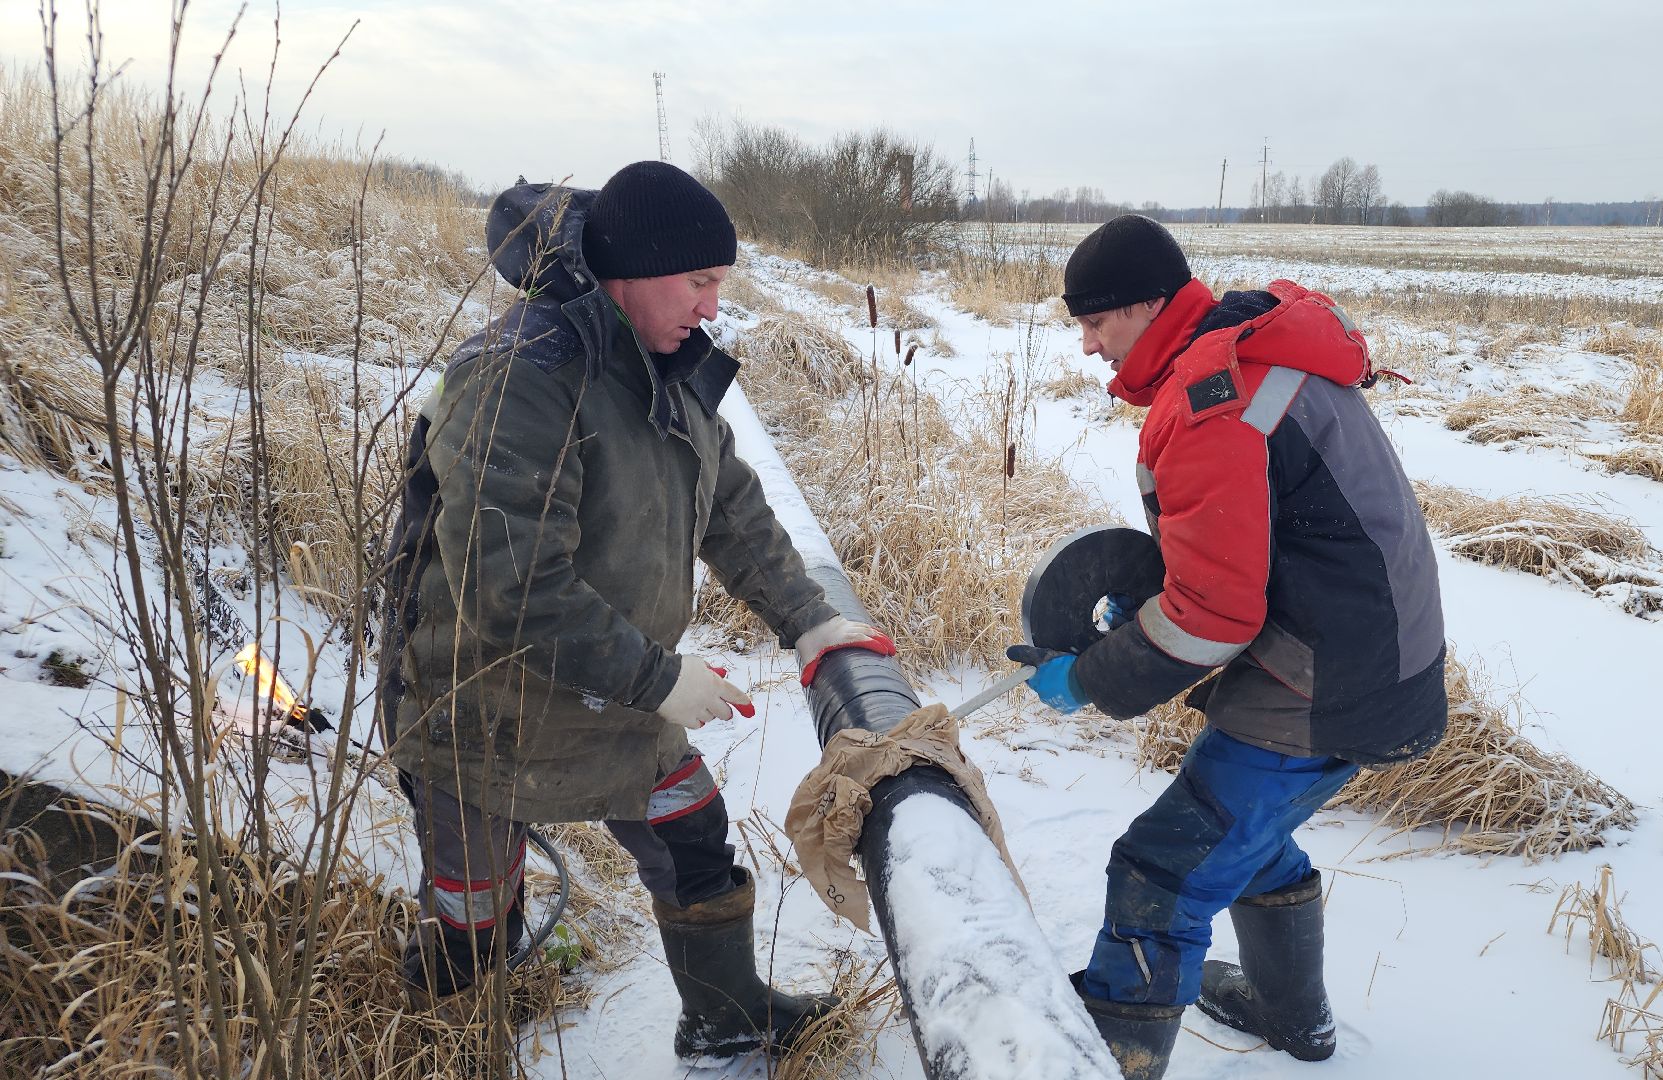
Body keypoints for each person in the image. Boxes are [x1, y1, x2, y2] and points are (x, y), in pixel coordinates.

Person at [379, 161, 893, 1060]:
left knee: (694, 840)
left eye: (720, 285)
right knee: (473, 916)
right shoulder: (520, 377)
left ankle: (724, 1015)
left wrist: (809, 619)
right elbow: (511, 586)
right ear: (632, 271)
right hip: (480, 705)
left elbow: (729, 505)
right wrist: (658, 679)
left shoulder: (666, 362)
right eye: (699, 282)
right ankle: (440, 1045)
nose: (712, 308)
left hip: (610, 697)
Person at [1008, 215, 1448, 1079]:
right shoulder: (1246, 350)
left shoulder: (1214, 396)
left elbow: (1214, 618)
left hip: (1330, 681)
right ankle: (1295, 1019)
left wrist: (1089, 679)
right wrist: (1147, 602)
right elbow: (1255, 548)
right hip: (1368, 652)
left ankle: (1111, 1059)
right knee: (1246, 839)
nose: (1091, 347)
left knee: (1160, 873)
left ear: (1147, 305)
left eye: (1097, 324)